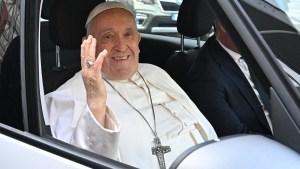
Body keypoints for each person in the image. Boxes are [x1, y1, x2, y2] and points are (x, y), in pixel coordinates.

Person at [45, 2, 217, 169]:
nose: (121, 46)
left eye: (128, 34)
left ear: (138, 39)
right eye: (108, 36)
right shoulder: (64, 97)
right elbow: (81, 162)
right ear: (89, 44)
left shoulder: (156, 73)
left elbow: (205, 130)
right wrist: (96, 101)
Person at [183, 19, 273, 137]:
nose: (260, 32)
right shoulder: (205, 77)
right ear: (224, 26)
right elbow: (238, 137)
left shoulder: (257, 53)